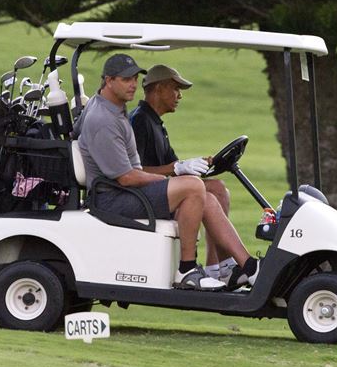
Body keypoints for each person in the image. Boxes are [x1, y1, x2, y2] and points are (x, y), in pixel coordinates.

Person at [74, 54, 259, 291]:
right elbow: (126, 176)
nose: (133, 84)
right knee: (192, 186)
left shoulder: (113, 110)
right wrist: (173, 177)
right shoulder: (104, 120)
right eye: (126, 79)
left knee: (208, 195)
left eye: (134, 78)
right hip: (114, 199)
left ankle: (249, 267)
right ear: (108, 81)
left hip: (125, 193)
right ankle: (187, 269)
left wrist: (180, 174)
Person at [129, 64, 238, 282]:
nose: (179, 96)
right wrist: (178, 168)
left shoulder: (156, 123)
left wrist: (196, 164)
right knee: (211, 192)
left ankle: (217, 267)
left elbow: (173, 165)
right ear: (159, 89)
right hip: (147, 196)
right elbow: (135, 171)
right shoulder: (140, 121)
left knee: (218, 188)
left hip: (163, 189)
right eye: (175, 89)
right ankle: (224, 266)